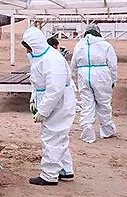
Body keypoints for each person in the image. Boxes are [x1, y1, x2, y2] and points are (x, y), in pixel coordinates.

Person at [22, 26, 75, 186]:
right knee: (58, 136)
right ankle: (65, 169)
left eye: (28, 47)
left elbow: (55, 89)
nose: (27, 51)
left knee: (51, 136)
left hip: (58, 104)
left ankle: (49, 174)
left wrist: (43, 111)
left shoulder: (52, 60)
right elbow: (37, 83)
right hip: (53, 103)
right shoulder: (40, 57)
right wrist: (33, 100)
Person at [70, 24, 118, 143]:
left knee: (87, 103)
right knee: (104, 104)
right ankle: (107, 130)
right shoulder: (105, 45)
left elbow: (73, 64)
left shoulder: (79, 45)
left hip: (84, 75)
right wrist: (113, 80)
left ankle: (87, 127)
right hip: (102, 75)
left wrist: (75, 77)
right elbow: (113, 65)